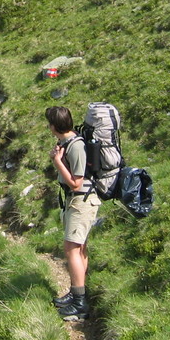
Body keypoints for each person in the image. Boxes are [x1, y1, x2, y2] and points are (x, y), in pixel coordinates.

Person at [45, 106, 101, 321]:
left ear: (54, 126)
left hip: (81, 201)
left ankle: (80, 303)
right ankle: (76, 291)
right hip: (76, 201)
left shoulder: (75, 146)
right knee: (79, 248)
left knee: (71, 249)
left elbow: (76, 183)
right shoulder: (68, 142)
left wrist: (58, 162)